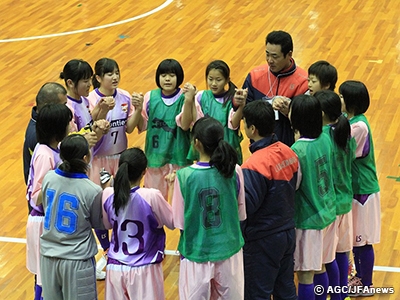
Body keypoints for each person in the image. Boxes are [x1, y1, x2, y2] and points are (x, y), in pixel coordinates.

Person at [172, 117, 246, 300]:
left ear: (196, 143)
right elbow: (241, 214)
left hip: (197, 252)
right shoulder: (234, 170)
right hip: (229, 250)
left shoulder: (183, 176)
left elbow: (180, 222)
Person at [87, 57, 143, 277]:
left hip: (120, 159)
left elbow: (129, 128)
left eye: (117, 72)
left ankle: (123, 244)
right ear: (98, 78)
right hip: (99, 160)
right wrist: (101, 111)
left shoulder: (125, 97)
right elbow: (90, 129)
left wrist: (137, 109)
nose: (115, 77)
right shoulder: (91, 99)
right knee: (101, 206)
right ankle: (108, 249)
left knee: (124, 201)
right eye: (109, 73)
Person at [241, 100, 298, 300]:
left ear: (252, 128)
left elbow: (246, 207)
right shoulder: (288, 151)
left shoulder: (253, 165)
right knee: (286, 290)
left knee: (258, 293)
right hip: (287, 232)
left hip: (262, 240)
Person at [101, 147, 173, 300]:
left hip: (115, 267)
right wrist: (174, 189)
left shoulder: (107, 194)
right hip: (144, 269)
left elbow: (107, 225)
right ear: (144, 171)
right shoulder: (151, 196)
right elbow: (173, 222)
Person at [39, 134, 104, 300]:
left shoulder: (49, 178)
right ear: (85, 158)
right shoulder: (92, 190)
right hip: (77, 260)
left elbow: (47, 209)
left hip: (48, 257)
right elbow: (98, 223)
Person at [288, 95, 336, 300]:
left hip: (308, 219)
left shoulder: (298, 150)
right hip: (327, 211)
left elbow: (294, 185)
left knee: (305, 274)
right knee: (320, 267)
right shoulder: (325, 137)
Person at [26, 103, 72, 300]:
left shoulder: (52, 149)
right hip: (43, 221)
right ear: (58, 128)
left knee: (49, 279)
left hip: (49, 220)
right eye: (68, 123)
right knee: (46, 280)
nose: (71, 126)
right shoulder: (45, 154)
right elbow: (38, 194)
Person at [339, 81, 380, 297]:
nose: (340, 100)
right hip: (355, 189)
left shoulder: (358, 127)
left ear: (351, 102)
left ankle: (367, 284)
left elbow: (341, 151)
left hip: (363, 191)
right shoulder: (350, 121)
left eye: (342, 97)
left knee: (362, 241)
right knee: (356, 239)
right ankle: (360, 278)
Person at [314, 90, 356, 300]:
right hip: (345, 203)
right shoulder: (346, 134)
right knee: (341, 254)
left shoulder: (321, 138)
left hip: (329, 207)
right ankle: (342, 296)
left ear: (320, 113)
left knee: (324, 260)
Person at [139, 58, 196, 201]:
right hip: (155, 157)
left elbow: (185, 125)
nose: (167, 79)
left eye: (172, 75)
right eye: (163, 75)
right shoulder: (150, 97)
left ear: (179, 77)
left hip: (180, 157)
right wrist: (137, 108)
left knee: (183, 202)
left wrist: (189, 100)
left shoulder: (185, 97)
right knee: (153, 201)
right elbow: (142, 126)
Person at [243, 30, 308, 146]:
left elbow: (308, 123)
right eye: (267, 54)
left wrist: (290, 112)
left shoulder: (303, 83)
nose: (269, 60)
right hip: (260, 148)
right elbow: (245, 112)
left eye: (275, 56)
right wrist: (238, 102)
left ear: (289, 55)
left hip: (290, 148)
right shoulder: (254, 77)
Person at [192, 60, 246, 164]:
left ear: (227, 80)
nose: (213, 84)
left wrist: (242, 105)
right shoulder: (201, 96)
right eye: (210, 79)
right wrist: (190, 99)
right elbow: (196, 122)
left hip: (227, 149)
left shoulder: (233, 99)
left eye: (218, 80)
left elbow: (234, 124)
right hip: (207, 150)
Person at [23, 82, 67, 186]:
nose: (66, 109)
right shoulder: (37, 136)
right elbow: (42, 184)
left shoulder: (45, 126)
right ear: (49, 107)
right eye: (63, 105)